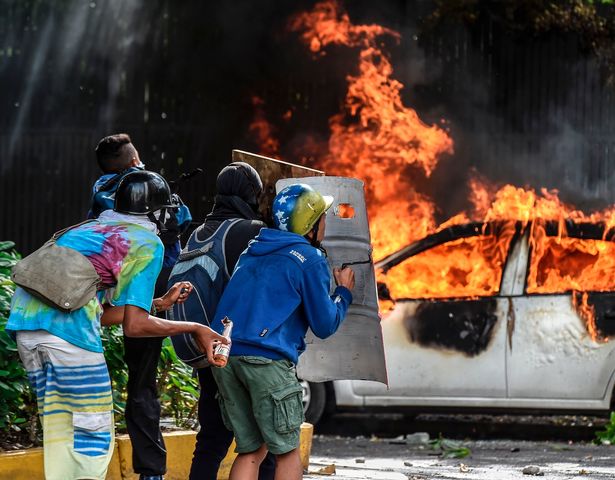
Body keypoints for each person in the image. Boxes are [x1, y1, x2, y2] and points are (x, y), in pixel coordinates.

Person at [6, 170, 227, 480]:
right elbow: (135, 328)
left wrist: (158, 305)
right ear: (160, 212)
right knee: (92, 437)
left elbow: (96, 311)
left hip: (27, 330)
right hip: (69, 341)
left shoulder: (90, 228)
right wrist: (195, 328)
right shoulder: (147, 242)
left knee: (63, 435)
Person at [211, 183, 355, 480]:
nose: (326, 223)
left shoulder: (253, 250)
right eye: (323, 217)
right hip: (266, 362)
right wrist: (344, 292)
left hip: (226, 357)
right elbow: (325, 324)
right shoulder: (309, 259)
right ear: (311, 225)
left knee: (251, 448)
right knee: (287, 451)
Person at [90, 133, 192, 480]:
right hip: (148, 290)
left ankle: (148, 468)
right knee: (143, 386)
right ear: (132, 164)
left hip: (105, 299)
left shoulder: (101, 199)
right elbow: (181, 224)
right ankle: (151, 471)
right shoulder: (149, 195)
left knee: (135, 384)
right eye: (136, 160)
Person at [184, 162, 276, 480]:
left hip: (206, 346)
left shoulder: (196, 232)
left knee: (210, 439)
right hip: (240, 350)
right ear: (252, 194)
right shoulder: (250, 231)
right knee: (264, 443)